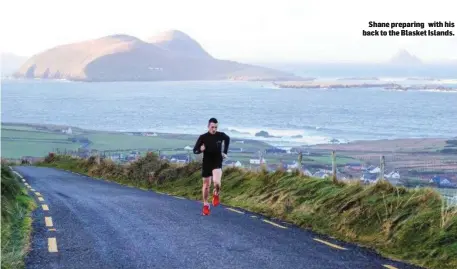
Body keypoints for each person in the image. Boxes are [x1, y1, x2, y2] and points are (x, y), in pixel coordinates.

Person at [193, 117, 230, 215]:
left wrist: (225, 152)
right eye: (212, 127)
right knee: (206, 186)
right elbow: (195, 150)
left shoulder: (220, 135)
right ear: (208, 126)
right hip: (207, 162)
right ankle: (206, 204)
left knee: (217, 182)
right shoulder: (203, 137)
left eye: (216, 127)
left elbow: (227, 138)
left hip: (217, 160)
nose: (214, 129)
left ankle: (216, 194)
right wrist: (200, 149)